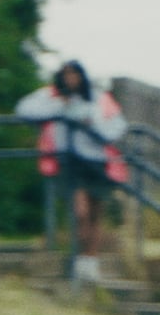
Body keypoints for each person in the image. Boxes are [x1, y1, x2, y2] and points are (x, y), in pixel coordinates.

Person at [15, 59, 130, 282]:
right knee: (80, 212)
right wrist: (62, 107)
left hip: (96, 160)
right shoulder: (51, 95)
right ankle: (78, 259)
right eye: (66, 74)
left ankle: (90, 261)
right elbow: (24, 109)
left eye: (75, 74)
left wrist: (91, 123)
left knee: (96, 213)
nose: (71, 79)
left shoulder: (98, 97)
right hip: (69, 161)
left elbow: (117, 127)